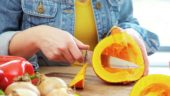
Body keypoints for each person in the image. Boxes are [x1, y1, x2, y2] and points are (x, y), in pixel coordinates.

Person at [0, 0, 159, 75]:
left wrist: (131, 33)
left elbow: (127, 21)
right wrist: (36, 36)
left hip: (104, 88)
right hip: (39, 90)